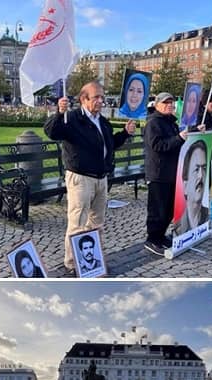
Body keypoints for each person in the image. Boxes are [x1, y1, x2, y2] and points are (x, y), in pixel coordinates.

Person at [45, 81, 136, 271]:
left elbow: (110, 144)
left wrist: (125, 134)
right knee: (77, 222)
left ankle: (94, 261)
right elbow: (52, 132)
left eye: (102, 97)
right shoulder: (72, 118)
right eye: (96, 97)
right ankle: (72, 263)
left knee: (97, 222)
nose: (101, 101)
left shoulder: (102, 121)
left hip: (101, 177)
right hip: (81, 178)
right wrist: (59, 113)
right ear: (83, 99)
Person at [143, 92, 188, 255]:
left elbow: (177, 141)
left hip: (171, 172)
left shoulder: (171, 122)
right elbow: (158, 145)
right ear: (157, 105)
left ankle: (161, 236)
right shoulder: (153, 123)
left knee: (169, 208)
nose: (169, 105)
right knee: (158, 209)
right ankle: (152, 239)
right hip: (158, 173)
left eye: (171, 102)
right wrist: (179, 138)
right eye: (165, 102)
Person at [172, 140, 210, 236]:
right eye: (196, 169)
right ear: (185, 185)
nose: (201, 175)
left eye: (204, 169)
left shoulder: (210, 219)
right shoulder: (178, 229)